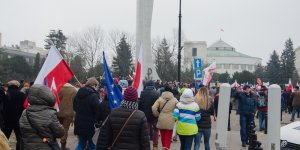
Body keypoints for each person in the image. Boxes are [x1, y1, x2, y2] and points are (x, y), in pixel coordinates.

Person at [19, 84, 64, 150]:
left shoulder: (25, 112)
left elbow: (22, 129)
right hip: (46, 146)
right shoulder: (50, 113)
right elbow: (60, 133)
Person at [74, 77, 100, 150]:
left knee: (81, 144)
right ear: (94, 85)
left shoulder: (79, 93)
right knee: (92, 145)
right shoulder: (94, 95)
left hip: (79, 122)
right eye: (96, 85)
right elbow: (97, 110)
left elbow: (74, 107)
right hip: (90, 125)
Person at [152, 85, 178, 150]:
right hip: (170, 119)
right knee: (168, 136)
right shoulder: (174, 100)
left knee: (162, 135)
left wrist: (157, 115)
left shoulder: (160, 99)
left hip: (161, 118)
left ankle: (164, 146)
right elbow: (178, 108)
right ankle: (166, 147)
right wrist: (175, 116)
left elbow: (153, 108)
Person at [2, 80, 26, 150]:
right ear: (17, 86)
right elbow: (24, 107)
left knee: (4, 139)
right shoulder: (22, 95)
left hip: (6, 120)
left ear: (9, 86)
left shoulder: (5, 94)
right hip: (19, 120)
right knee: (20, 139)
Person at [139, 80, 160, 150]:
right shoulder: (157, 93)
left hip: (145, 114)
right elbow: (158, 106)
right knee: (156, 130)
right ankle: (155, 146)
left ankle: (146, 144)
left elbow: (140, 104)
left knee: (146, 130)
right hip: (154, 115)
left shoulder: (142, 93)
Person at [57, 83, 78, 150]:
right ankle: (63, 146)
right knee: (65, 130)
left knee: (57, 128)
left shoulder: (59, 89)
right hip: (68, 113)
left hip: (58, 112)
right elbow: (75, 102)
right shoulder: (74, 90)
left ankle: (55, 144)